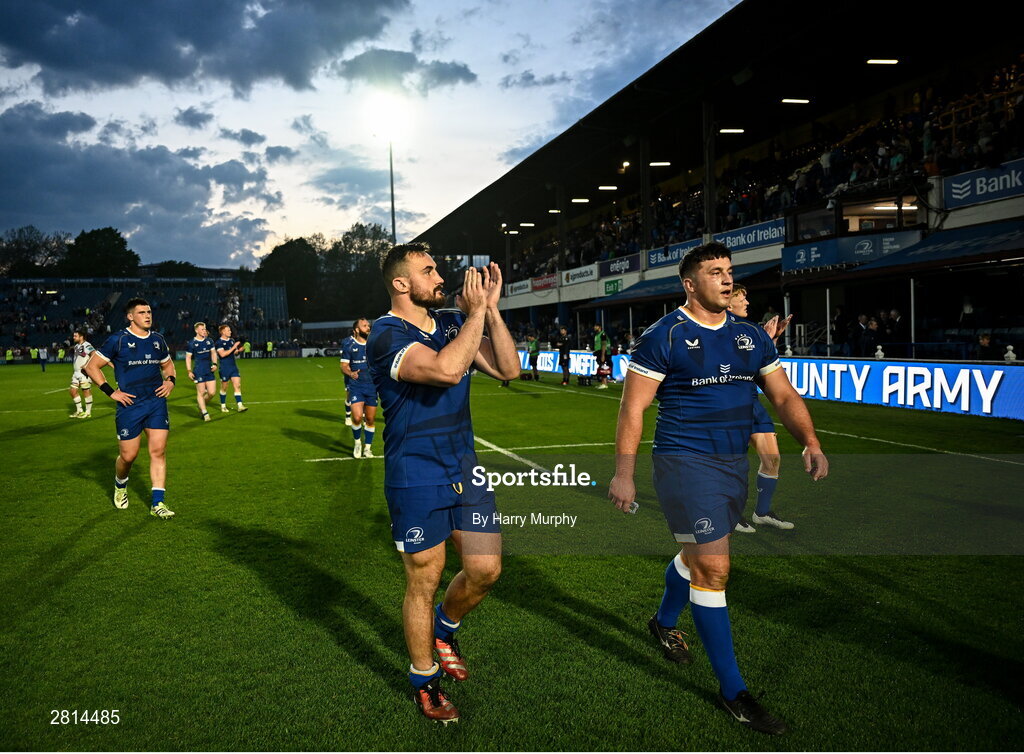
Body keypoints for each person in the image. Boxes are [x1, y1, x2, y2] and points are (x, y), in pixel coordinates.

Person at [608, 242, 828, 735]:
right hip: (684, 464)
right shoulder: (664, 336)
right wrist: (624, 473)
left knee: (694, 557)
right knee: (715, 566)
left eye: (730, 271)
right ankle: (735, 692)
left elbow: (784, 394)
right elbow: (632, 408)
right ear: (690, 284)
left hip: (732, 466)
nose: (727, 280)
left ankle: (663, 623)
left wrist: (809, 441)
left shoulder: (751, 336)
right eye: (715, 273)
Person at [366, 245, 519, 724]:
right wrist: (474, 314)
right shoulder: (385, 332)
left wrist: (489, 312)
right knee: (423, 580)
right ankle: (425, 681)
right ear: (400, 283)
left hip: (465, 469)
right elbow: (448, 370)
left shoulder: (455, 323)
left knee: (485, 570)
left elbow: (509, 369)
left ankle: (444, 631)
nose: (439, 276)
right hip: (416, 475)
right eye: (427, 270)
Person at [84, 297, 177, 520]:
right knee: (128, 456)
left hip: (155, 403)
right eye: (142, 312)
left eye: (149, 312)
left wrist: (170, 380)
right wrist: (110, 391)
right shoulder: (118, 340)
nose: (148, 315)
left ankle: (158, 503)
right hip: (129, 405)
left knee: (158, 451)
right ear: (130, 316)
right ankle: (120, 484)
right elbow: (91, 366)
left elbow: (167, 364)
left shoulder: (158, 340)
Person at [727, 284, 794, 533]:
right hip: (728, 405)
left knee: (772, 457)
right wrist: (765, 339)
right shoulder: (719, 329)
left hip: (751, 403)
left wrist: (770, 340)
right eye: (741, 297)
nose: (746, 302)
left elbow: (758, 369)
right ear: (727, 302)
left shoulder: (752, 330)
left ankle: (762, 512)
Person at [340, 318, 377, 458]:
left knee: (370, 419)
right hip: (356, 386)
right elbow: (343, 366)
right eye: (364, 325)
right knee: (356, 418)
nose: (368, 327)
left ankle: (367, 448)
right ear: (356, 330)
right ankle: (357, 443)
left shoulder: (374, 345)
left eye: (368, 325)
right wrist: (350, 373)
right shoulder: (349, 345)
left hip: (372, 386)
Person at [184, 322, 219, 422]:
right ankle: (205, 412)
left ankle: (201, 405)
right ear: (196, 331)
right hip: (198, 371)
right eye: (202, 329)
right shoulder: (191, 343)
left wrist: (215, 364)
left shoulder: (209, 341)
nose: (204, 331)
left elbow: (213, 353)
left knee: (212, 393)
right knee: (201, 392)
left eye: (205, 329)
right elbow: (188, 358)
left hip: (209, 369)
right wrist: (189, 371)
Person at [215, 324, 247, 413]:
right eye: (228, 330)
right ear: (223, 332)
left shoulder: (232, 341)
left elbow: (234, 352)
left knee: (237, 385)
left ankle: (240, 405)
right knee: (224, 388)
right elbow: (222, 354)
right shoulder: (218, 343)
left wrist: (239, 351)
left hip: (233, 367)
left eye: (230, 330)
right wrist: (234, 347)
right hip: (224, 368)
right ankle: (223, 405)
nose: (230, 331)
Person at [69, 329, 95, 418]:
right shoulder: (76, 346)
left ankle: (88, 412)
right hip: (76, 372)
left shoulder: (87, 345)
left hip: (84, 372)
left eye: (75, 336)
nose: (74, 337)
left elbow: (94, 354)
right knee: (72, 391)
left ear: (81, 337)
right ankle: (79, 411)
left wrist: (87, 365)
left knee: (86, 391)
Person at [593, 323, 611, 389]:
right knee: (601, 367)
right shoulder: (597, 335)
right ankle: (603, 383)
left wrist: (603, 355)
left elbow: (604, 345)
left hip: (602, 352)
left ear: (599, 327)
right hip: (599, 352)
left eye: (596, 326)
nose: (594, 327)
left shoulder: (603, 334)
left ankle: (605, 383)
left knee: (603, 367)